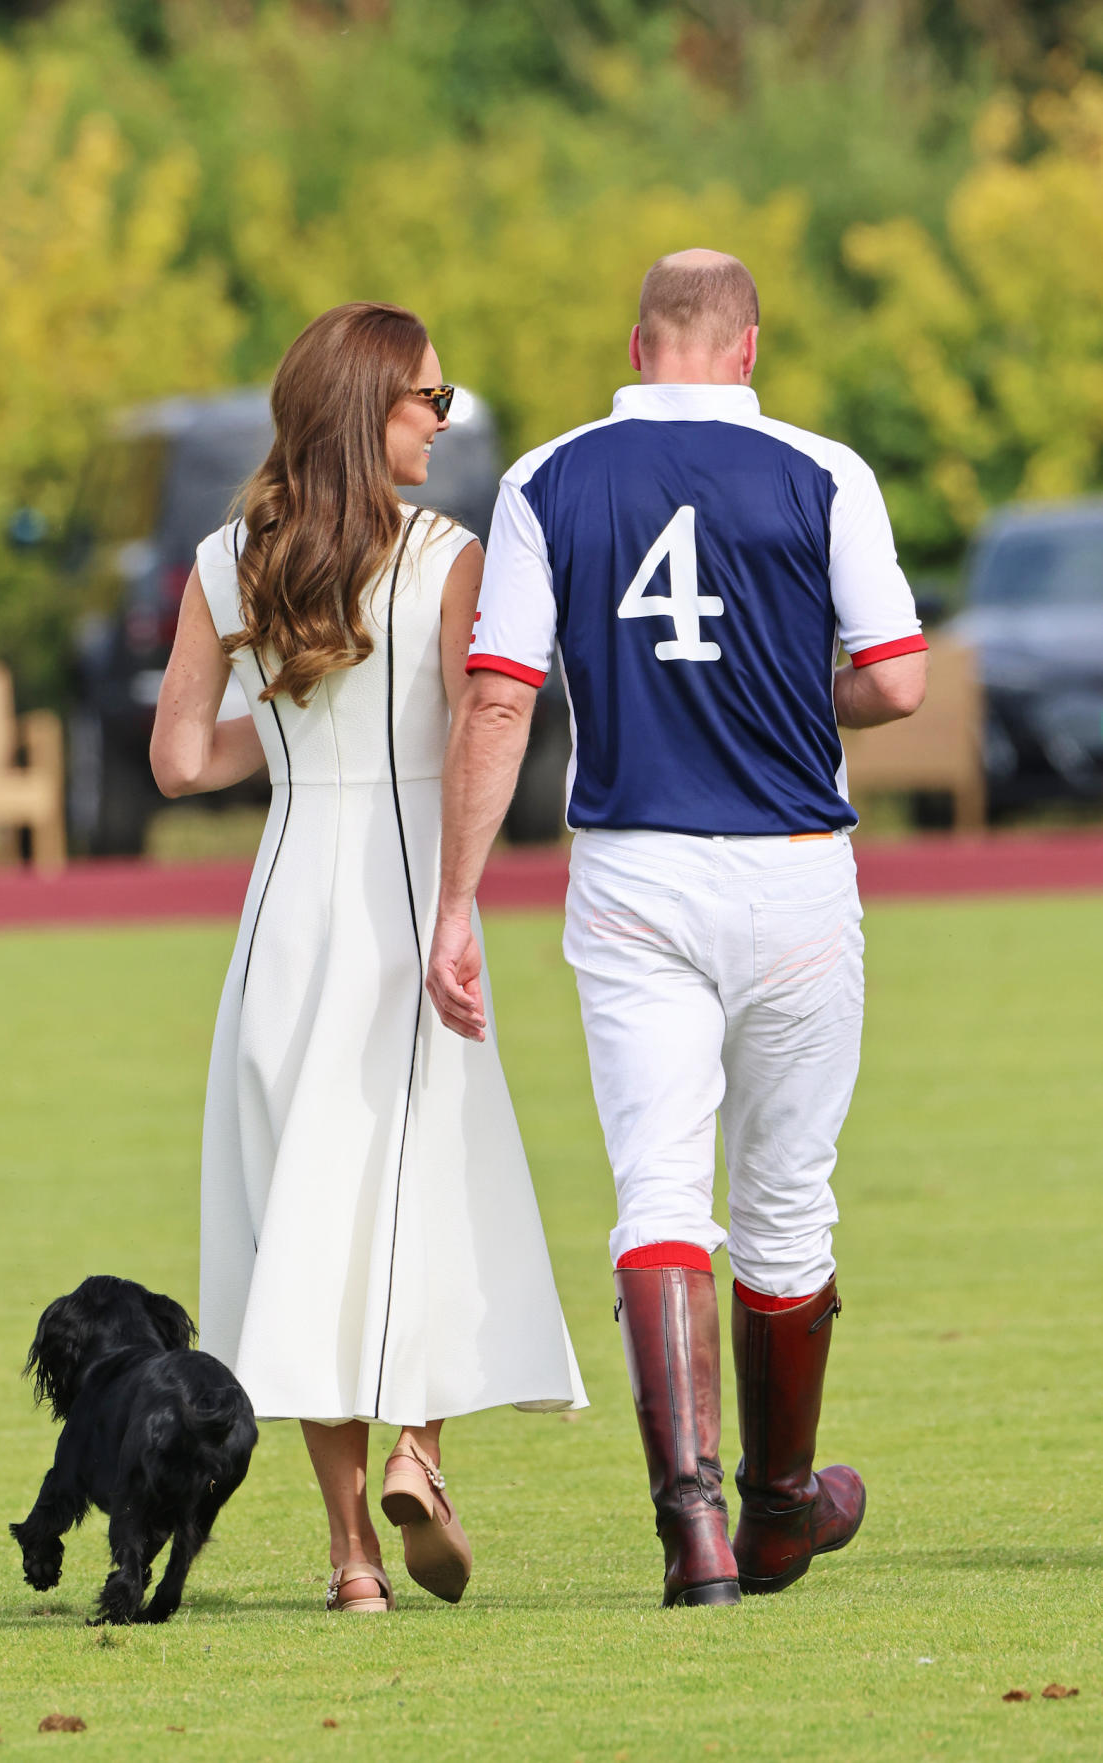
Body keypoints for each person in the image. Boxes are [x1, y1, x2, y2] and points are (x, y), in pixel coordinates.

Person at [426, 250, 927, 1609]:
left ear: (638, 341)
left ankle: (692, 1529)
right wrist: (787, 697)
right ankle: (777, 1508)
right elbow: (894, 678)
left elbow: (496, 701)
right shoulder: (825, 471)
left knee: (657, 1192)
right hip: (793, 870)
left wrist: (457, 896)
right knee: (783, 1203)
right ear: (747, 344)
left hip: (633, 869)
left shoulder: (544, 478)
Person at [150, 302, 584, 1617]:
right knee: (423, 1197)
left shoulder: (228, 564)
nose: (443, 424)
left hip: (285, 917)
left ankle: (350, 1563)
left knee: (303, 1224)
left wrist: (279, 714)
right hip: (407, 902)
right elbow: (475, 740)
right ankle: (420, 1456)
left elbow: (178, 762)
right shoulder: (451, 557)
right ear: (366, 410)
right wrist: (459, 903)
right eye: (428, 402)